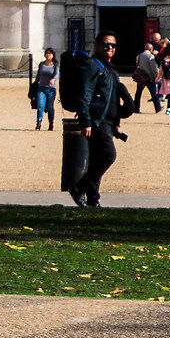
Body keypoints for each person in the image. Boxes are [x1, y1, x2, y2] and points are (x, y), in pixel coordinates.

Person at [68, 32, 127, 208]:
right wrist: (85, 121)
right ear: (97, 45)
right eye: (106, 44)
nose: (110, 48)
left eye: (113, 45)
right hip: (95, 121)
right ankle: (79, 188)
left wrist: (116, 123)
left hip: (107, 121)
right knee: (109, 155)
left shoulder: (110, 69)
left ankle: (93, 199)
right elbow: (84, 95)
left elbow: (112, 99)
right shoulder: (92, 66)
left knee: (96, 159)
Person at [30, 48, 59, 130]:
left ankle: (51, 123)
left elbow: (57, 74)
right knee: (40, 105)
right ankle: (39, 122)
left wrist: (54, 79)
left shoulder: (55, 65)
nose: (48, 55)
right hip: (41, 88)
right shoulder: (42, 64)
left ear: (53, 55)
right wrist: (35, 84)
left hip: (50, 89)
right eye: (47, 53)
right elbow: (38, 75)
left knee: (50, 107)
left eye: (50, 53)